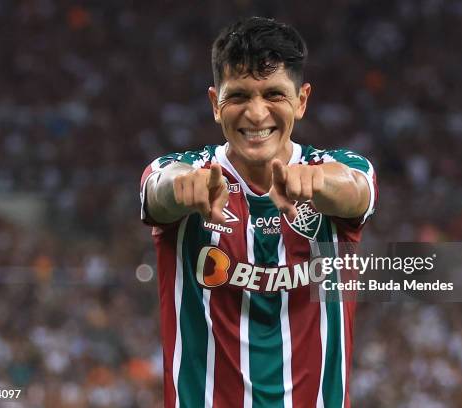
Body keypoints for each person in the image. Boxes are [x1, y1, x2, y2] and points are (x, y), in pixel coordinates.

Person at [140, 16, 377, 408]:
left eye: (273, 95)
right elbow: (157, 190)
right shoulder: (187, 172)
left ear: (301, 101)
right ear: (215, 104)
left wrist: (317, 184)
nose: (255, 113)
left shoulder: (339, 168)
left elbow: (356, 190)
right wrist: (182, 189)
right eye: (239, 97)